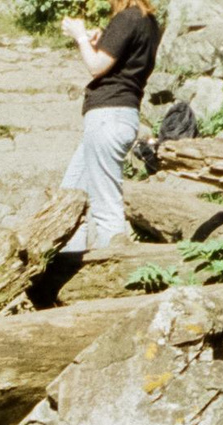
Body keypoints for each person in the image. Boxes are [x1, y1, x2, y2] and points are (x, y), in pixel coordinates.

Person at [57, 0, 160, 251]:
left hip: (108, 116)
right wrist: (96, 41)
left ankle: (115, 271)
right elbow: (120, 61)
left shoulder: (127, 18)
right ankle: (68, 265)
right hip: (120, 115)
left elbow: (96, 66)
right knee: (71, 196)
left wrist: (80, 36)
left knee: (105, 206)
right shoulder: (149, 22)